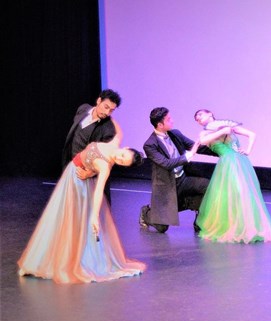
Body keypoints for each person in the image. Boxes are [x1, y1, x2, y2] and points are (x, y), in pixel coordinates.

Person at [18, 119, 146, 284]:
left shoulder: (105, 167)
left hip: (80, 185)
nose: (118, 159)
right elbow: (119, 132)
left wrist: (94, 216)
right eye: (122, 156)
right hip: (72, 174)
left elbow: (99, 191)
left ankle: (69, 261)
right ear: (125, 148)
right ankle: (37, 261)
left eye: (122, 162)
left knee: (73, 222)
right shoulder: (115, 143)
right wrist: (110, 115)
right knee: (57, 217)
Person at [193, 109, 271, 243]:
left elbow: (252, 134)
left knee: (243, 193)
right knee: (228, 195)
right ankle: (232, 225)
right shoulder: (205, 133)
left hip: (239, 162)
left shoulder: (229, 126)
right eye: (196, 118)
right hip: (227, 163)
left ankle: (248, 226)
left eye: (200, 114)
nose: (198, 118)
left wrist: (248, 150)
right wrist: (222, 131)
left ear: (210, 113)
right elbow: (204, 141)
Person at [139, 107, 217, 233]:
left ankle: (200, 220)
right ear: (160, 124)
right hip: (167, 185)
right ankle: (147, 212)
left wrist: (221, 152)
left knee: (207, 186)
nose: (172, 121)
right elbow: (167, 164)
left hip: (183, 178)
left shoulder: (175, 133)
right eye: (169, 119)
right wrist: (188, 155)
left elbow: (196, 147)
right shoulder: (150, 145)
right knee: (162, 228)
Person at [62, 89, 123, 201]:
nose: (107, 113)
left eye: (111, 110)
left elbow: (106, 159)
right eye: (106, 107)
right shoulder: (83, 109)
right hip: (71, 166)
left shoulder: (108, 129)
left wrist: (90, 173)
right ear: (99, 100)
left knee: (87, 210)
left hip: (86, 172)